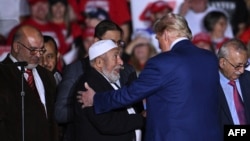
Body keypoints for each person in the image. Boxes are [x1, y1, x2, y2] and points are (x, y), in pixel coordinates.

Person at [79, 13, 223, 141]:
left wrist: (96, 99)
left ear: (166, 35)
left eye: (158, 38)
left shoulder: (162, 62)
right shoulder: (210, 59)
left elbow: (130, 93)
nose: (159, 45)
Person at [55, 20, 139, 141]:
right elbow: (60, 113)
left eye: (119, 43)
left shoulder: (127, 70)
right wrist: (90, 110)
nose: (116, 47)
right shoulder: (77, 71)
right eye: (111, 42)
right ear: (96, 42)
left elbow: (136, 106)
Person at [74, 40, 145, 141]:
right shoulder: (88, 84)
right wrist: (141, 119)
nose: (121, 62)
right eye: (115, 56)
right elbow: (106, 123)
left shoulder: (111, 79)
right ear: (99, 62)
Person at [0, 25, 58, 141]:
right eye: (33, 50)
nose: (38, 55)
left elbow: (53, 121)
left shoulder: (47, 76)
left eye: (41, 50)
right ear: (17, 47)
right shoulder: (2, 74)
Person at [217, 39, 250, 127]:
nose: (242, 71)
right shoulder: (209, 85)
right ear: (222, 62)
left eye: (245, 65)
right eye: (238, 66)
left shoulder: (248, 78)